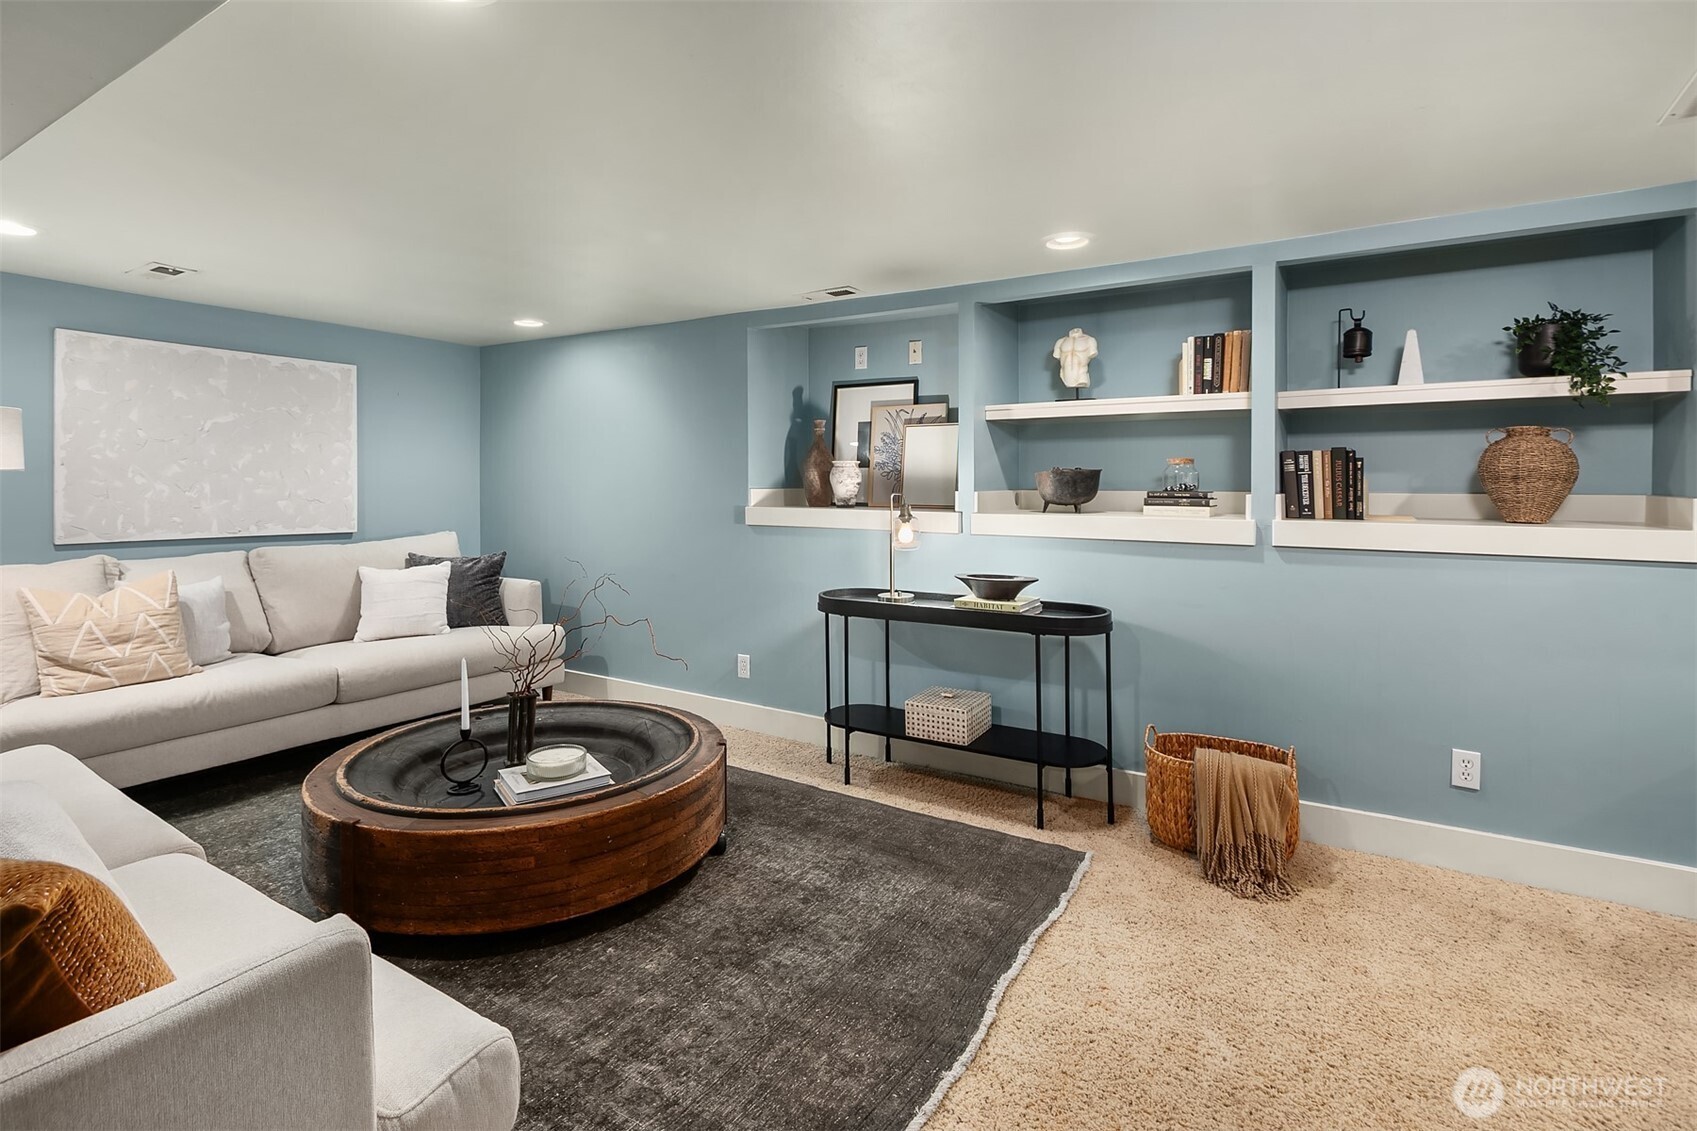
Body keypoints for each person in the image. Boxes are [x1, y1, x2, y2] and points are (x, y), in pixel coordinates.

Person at [1052, 327, 1098, 394]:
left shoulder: (1090, 340)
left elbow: (1092, 353)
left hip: (1081, 378)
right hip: (1065, 376)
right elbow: (1056, 355)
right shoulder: (1060, 342)